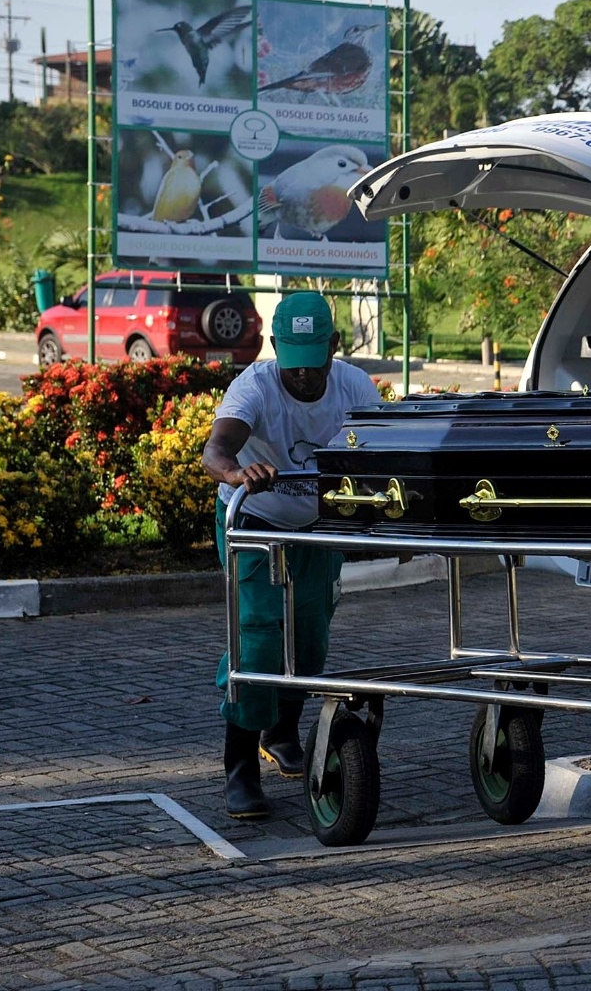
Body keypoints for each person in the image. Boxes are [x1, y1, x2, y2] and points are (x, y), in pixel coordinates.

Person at [201, 292, 380, 818]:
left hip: (315, 529)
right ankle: (239, 768)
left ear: (334, 346)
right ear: (276, 347)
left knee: (308, 635)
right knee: (257, 637)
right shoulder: (254, 386)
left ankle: (281, 733)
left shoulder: (354, 385)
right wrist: (237, 474)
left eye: (314, 362)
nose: (303, 377)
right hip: (254, 523)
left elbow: (379, 448)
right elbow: (216, 450)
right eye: (293, 363)